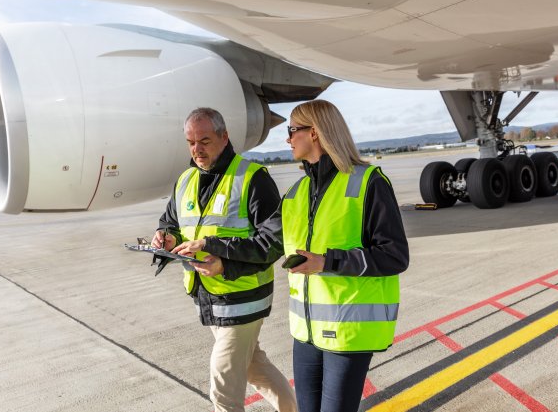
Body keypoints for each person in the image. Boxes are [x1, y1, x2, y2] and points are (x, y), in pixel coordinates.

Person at [177, 99, 409, 412]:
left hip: (348, 332)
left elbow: (394, 255)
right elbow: (264, 245)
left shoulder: (367, 183)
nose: (287, 139)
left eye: (292, 131)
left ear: (314, 133)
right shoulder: (298, 192)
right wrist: (216, 252)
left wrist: (327, 262)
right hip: (307, 334)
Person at [151, 107, 296, 412]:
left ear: (224, 136)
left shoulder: (252, 178)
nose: (196, 149)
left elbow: (273, 242)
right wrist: (166, 238)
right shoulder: (186, 179)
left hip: (244, 299)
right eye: (191, 142)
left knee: (223, 386)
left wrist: (225, 263)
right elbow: (171, 224)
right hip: (209, 296)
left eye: (204, 140)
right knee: (255, 369)